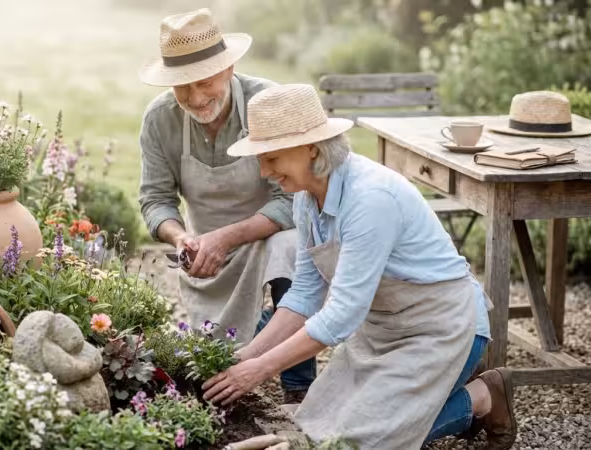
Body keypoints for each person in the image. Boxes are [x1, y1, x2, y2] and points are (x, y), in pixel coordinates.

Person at [201, 83, 517, 450]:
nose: (263, 171)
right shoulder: (306, 200)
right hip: (381, 331)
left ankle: (483, 396)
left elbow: (341, 315)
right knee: (317, 423)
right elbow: (304, 296)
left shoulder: (370, 199)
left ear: (311, 148)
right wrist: (246, 356)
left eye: (271, 158)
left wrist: (261, 369)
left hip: (442, 331)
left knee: (358, 440)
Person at [136, 8, 316, 402]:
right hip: (207, 253)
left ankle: (299, 385)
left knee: (291, 247)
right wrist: (181, 237)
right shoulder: (160, 119)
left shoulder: (266, 102)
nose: (196, 98)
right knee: (216, 358)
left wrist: (229, 237)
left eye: (205, 82)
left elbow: (293, 199)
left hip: (268, 235)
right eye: (182, 88)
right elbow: (155, 199)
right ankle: (271, 332)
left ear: (229, 67)